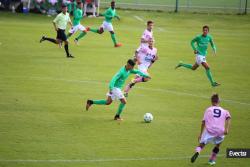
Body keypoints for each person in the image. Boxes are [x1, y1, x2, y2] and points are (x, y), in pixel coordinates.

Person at [85, 59, 150, 121]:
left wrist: (145, 75)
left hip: (117, 88)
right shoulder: (121, 72)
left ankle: (91, 102)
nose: (133, 68)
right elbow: (114, 79)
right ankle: (117, 116)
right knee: (124, 102)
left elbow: (137, 71)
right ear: (128, 65)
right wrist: (111, 88)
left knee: (108, 102)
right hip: (115, 88)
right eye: (132, 67)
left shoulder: (129, 70)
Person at [191, 94, 231, 165]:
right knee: (218, 144)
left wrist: (200, 134)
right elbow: (228, 117)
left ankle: (198, 152)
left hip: (210, 130)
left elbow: (203, 122)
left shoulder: (208, 110)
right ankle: (211, 160)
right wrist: (227, 129)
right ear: (219, 101)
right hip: (220, 131)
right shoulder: (224, 111)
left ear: (211, 101)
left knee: (202, 144)